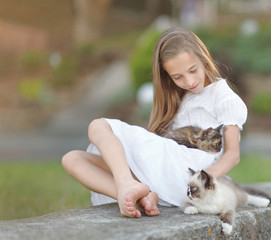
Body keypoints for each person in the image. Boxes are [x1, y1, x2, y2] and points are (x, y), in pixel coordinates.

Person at [62, 27, 247, 218]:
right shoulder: (183, 97)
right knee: (73, 159)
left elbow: (233, 154)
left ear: (204, 58)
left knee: (98, 126)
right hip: (168, 175)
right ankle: (141, 197)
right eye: (178, 77)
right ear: (167, 76)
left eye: (193, 70)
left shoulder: (224, 98)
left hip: (191, 175)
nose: (189, 81)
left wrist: (202, 179)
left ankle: (126, 183)